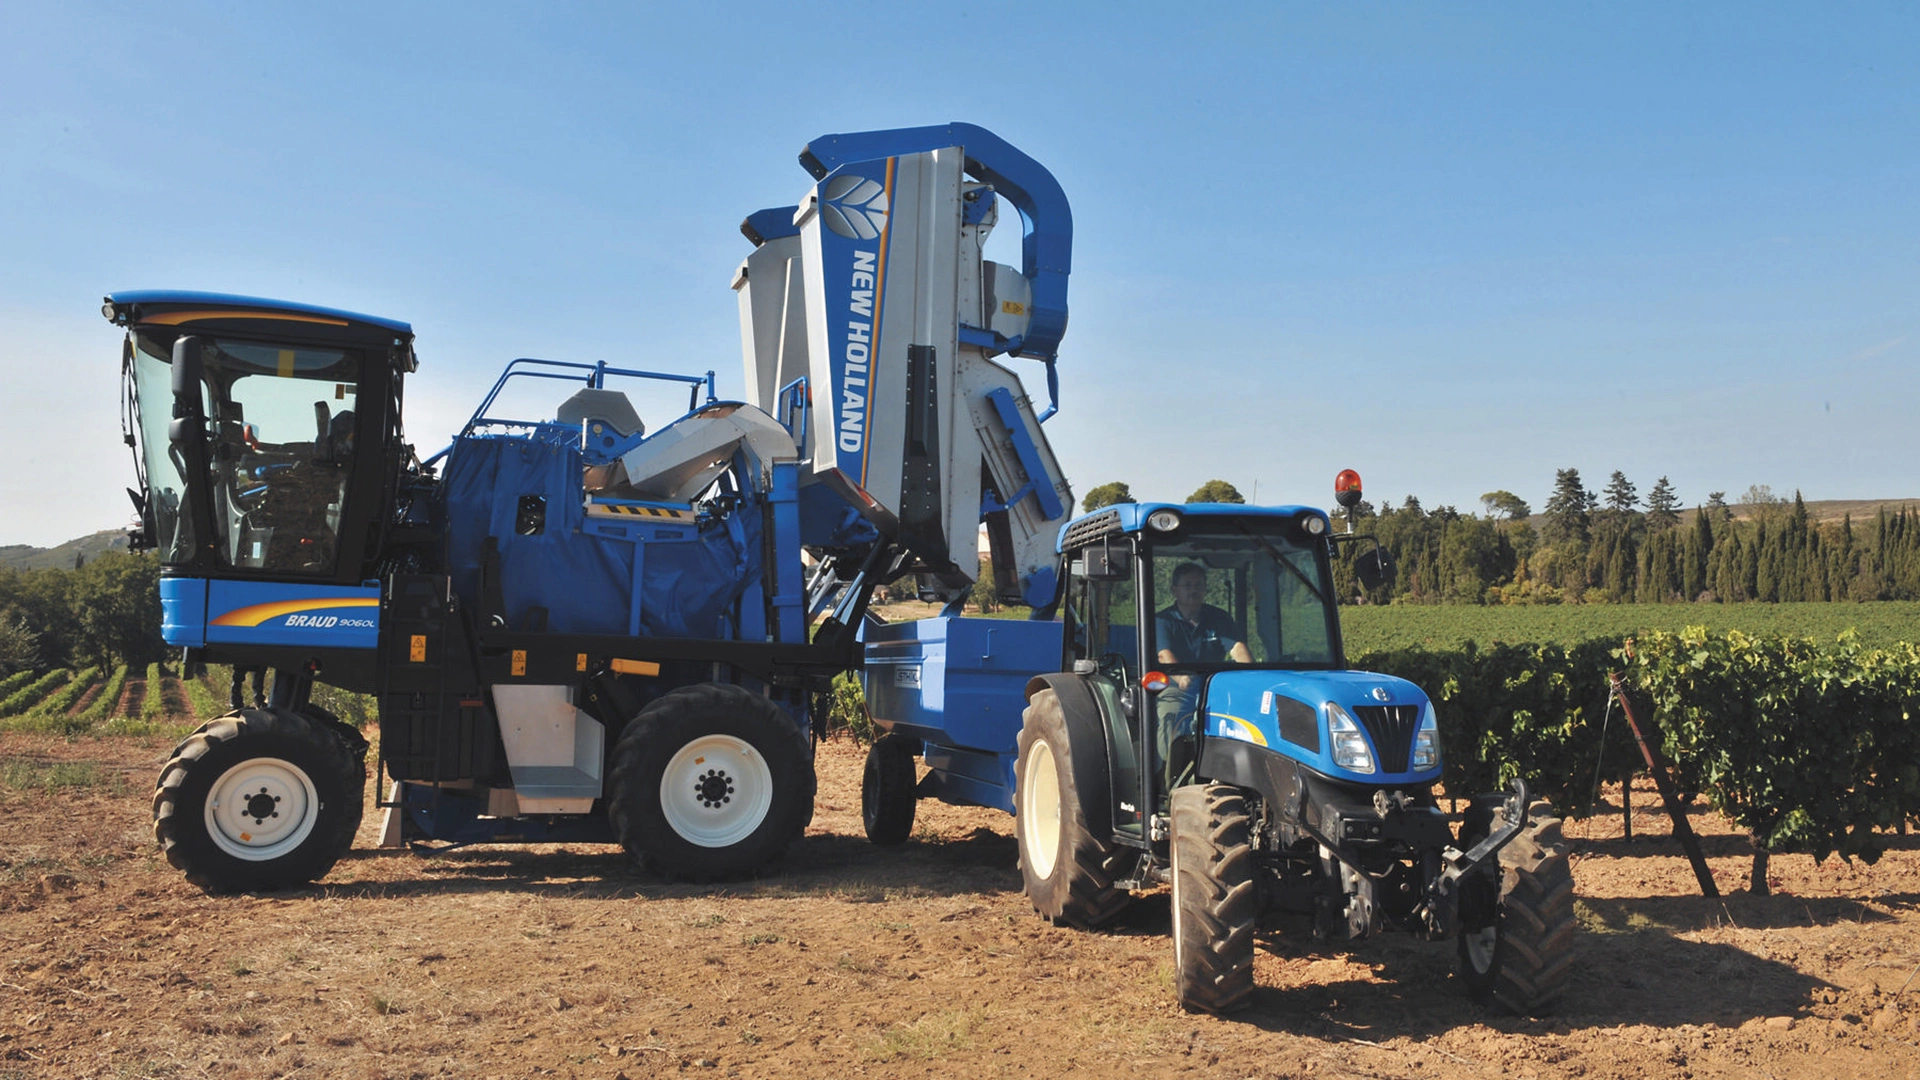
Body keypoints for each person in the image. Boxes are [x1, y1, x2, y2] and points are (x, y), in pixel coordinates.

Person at [1153, 562, 1250, 783]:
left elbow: (1236, 648)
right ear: (1174, 590)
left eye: (1198, 585)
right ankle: (1169, 779)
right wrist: (1181, 675)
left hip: (1214, 686)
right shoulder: (1163, 620)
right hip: (1177, 687)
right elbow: (1163, 654)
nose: (1193, 590)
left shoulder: (1218, 618)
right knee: (1173, 712)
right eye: (1187, 585)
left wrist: (1251, 674)